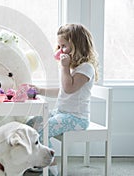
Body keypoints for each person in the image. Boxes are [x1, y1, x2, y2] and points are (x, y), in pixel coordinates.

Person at [28, 23, 99, 176]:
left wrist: (64, 68)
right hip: (61, 112)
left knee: (42, 130)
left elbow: (69, 88)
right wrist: (40, 90)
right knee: (31, 124)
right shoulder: (73, 68)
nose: (60, 51)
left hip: (76, 118)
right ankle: (35, 159)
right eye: (58, 47)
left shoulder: (86, 68)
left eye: (64, 47)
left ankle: (50, 166)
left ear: (78, 46)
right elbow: (63, 91)